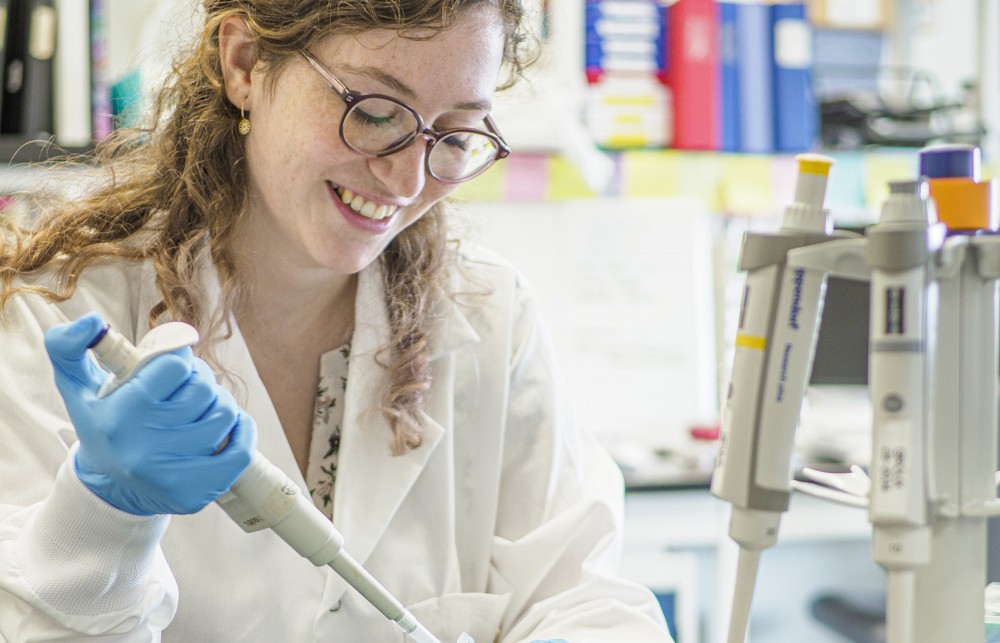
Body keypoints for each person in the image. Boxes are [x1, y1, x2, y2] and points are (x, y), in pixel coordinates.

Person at [0, 1, 673, 641]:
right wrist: (103, 517)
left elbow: (586, 598)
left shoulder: (493, 320)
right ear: (245, 63)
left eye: (455, 134)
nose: (409, 179)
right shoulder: (56, 315)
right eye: (377, 112)